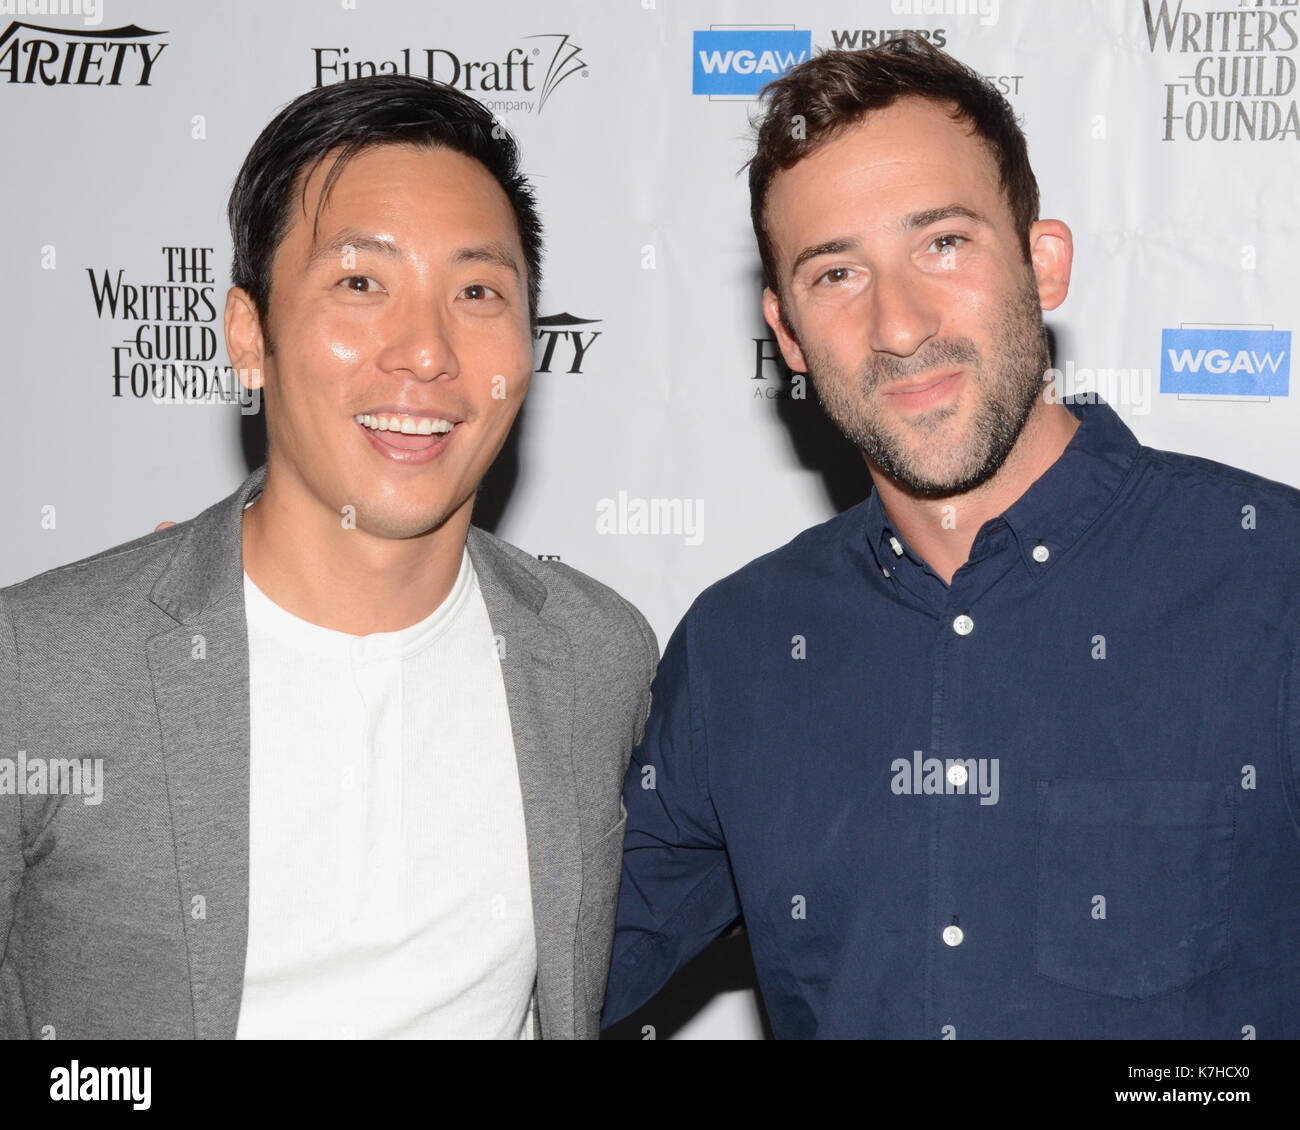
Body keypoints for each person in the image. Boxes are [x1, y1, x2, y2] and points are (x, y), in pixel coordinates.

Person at [602, 36, 1300, 1039]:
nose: (899, 322)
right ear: (788, 334)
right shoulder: (737, 650)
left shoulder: (1269, 582)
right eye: (837, 272)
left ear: (1041, 261)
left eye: (942, 243)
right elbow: (523, 979)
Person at [0, 75, 656, 1040]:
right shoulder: (39, 666)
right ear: (248, 336)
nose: (425, 352)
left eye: (477, 291)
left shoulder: (599, 657)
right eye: (360, 283)